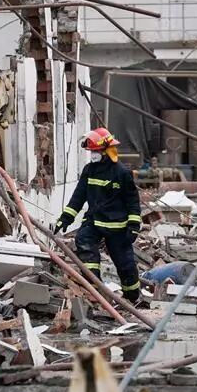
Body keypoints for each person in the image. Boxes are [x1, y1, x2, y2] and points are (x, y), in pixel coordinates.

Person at [54, 127, 142, 302]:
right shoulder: (89, 170)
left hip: (117, 227)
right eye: (91, 151)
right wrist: (65, 218)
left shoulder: (122, 173)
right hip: (94, 221)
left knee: (125, 264)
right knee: (83, 240)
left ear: (106, 151)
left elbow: (132, 201)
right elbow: (78, 197)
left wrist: (133, 226)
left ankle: (132, 297)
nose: (93, 155)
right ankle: (94, 286)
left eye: (96, 151)